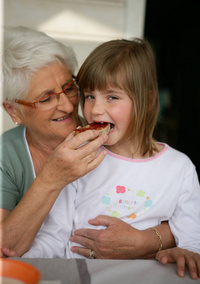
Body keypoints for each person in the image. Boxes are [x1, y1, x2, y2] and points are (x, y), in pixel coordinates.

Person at [22, 38, 200, 279]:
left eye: (112, 97)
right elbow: (54, 236)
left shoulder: (180, 168)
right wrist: (18, 258)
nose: (95, 110)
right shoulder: (79, 160)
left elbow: (191, 238)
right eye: (89, 96)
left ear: (146, 102)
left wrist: (187, 252)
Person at [0, 26, 174, 260]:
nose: (69, 106)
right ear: (14, 110)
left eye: (69, 87)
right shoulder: (5, 155)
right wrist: (52, 177)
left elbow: (165, 202)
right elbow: (5, 247)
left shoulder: (109, 134)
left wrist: (146, 240)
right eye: (46, 98)